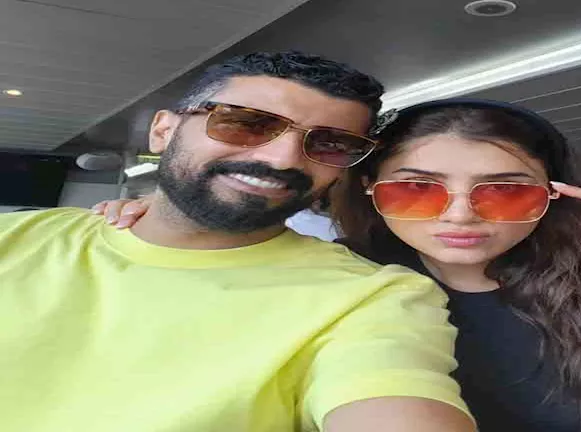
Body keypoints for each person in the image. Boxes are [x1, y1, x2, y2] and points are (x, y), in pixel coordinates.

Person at [96, 99, 581, 431]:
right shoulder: (339, 283)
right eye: (417, 189)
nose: (460, 216)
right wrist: (159, 218)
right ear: (369, 190)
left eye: (504, 191)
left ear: (551, 197)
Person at [0, 52, 475, 432]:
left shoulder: (369, 299)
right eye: (246, 123)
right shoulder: (17, 238)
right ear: (163, 131)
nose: (282, 158)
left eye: (329, 144)